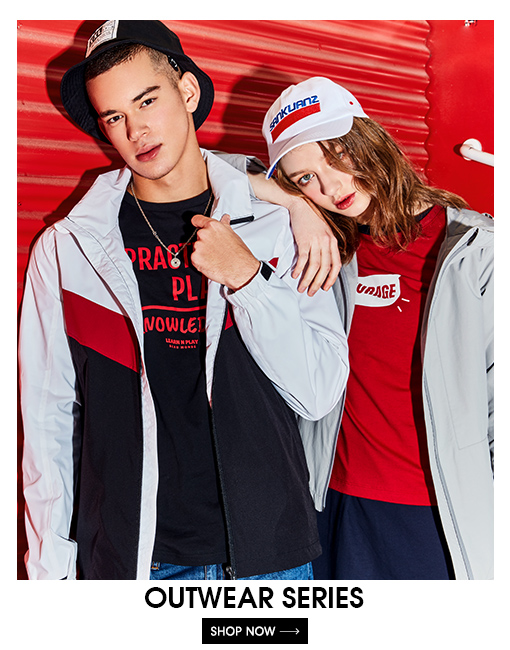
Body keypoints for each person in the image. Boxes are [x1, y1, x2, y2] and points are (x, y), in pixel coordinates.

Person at [18, 23, 349, 580]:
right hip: (137, 559)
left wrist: (248, 279)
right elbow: (47, 419)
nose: (136, 131)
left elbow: (316, 394)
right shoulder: (69, 249)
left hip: (269, 556)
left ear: (188, 92)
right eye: (114, 117)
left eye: (147, 100)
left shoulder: (277, 229)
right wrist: (50, 572)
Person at [246, 76, 494, 580]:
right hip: (328, 503)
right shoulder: (325, 252)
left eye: (337, 155)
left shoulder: (477, 251)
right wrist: (293, 206)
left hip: (435, 516)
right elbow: (198, 169)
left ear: (370, 138)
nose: (331, 187)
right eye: (305, 179)